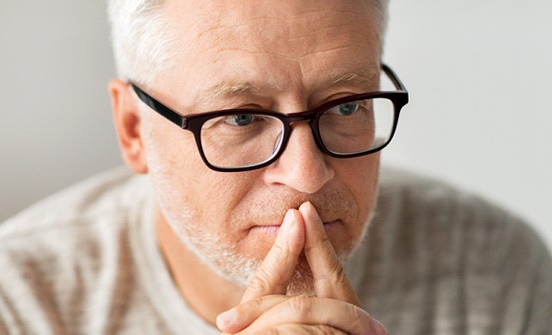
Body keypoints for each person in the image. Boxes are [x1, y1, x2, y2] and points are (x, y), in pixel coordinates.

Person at [1, 0, 551, 334]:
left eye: (346, 106)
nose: (308, 175)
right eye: (241, 117)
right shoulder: (21, 303)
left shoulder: (495, 271)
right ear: (132, 130)